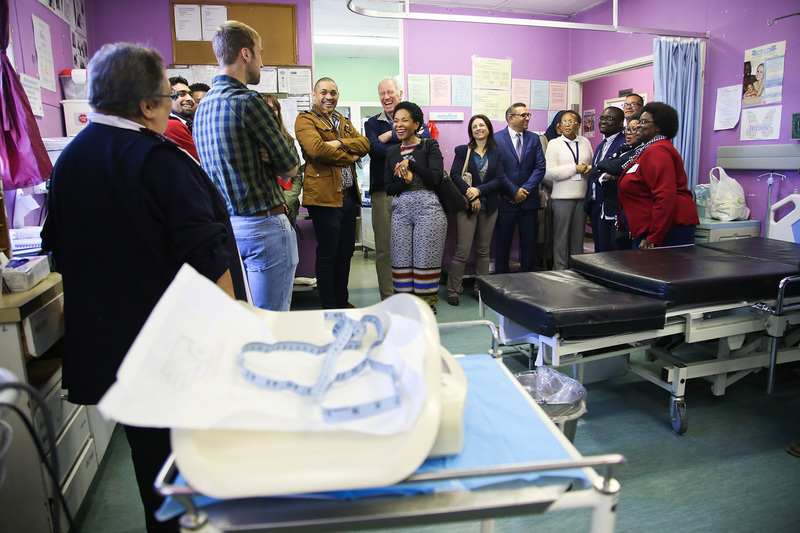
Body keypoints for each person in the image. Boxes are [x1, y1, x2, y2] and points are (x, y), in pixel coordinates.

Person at [41, 43, 247, 533]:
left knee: (153, 465)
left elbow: (59, 247)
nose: (171, 107)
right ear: (146, 105)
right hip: (175, 346)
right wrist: (236, 333)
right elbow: (208, 252)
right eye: (166, 97)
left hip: (118, 347)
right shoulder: (159, 161)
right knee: (196, 462)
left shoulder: (70, 161)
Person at [193, 21, 299, 311]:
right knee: (271, 322)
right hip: (263, 226)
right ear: (246, 54)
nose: (262, 62)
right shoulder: (248, 102)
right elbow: (291, 167)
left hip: (228, 226)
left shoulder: (203, 107)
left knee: (242, 318)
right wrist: (275, 158)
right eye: (260, 53)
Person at [295, 77, 369, 309]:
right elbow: (316, 150)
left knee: (346, 253)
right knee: (328, 254)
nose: (329, 97)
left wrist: (337, 143)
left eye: (334, 92)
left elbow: (365, 143)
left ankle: (341, 301)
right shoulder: (305, 119)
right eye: (324, 92)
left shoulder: (342, 120)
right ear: (314, 94)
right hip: (324, 198)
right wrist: (349, 154)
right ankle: (329, 306)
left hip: (348, 197)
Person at [365, 78, 431, 300]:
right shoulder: (372, 123)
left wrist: (390, 136)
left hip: (414, 191)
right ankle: (389, 299)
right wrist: (403, 139)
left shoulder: (415, 115)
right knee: (385, 249)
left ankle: (410, 298)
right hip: (383, 191)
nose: (386, 97)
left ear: (400, 93)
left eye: (390, 92)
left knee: (413, 247)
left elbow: (425, 145)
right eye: (382, 93)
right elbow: (375, 150)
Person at [384, 101, 446, 314]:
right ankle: (405, 307)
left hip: (429, 211)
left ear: (416, 123)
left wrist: (411, 165)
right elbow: (388, 187)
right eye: (395, 121)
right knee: (400, 258)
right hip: (401, 211)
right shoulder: (391, 151)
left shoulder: (429, 145)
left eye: (404, 120)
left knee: (426, 258)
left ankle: (426, 308)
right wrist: (406, 181)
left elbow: (436, 178)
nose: (399, 125)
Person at [618, 102, 699, 249]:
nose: (637, 126)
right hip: (653, 228)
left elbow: (664, 195)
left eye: (643, 122)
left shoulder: (657, 151)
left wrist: (654, 236)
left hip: (666, 230)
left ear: (659, 127)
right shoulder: (649, 149)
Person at [445, 114, 504, 306]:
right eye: (474, 126)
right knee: (462, 251)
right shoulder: (463, 150)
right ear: (471, 131)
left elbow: (499, 180)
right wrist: (473, 196)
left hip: (490, 206)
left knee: (484, 251)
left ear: (488, 128)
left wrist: (478, 190)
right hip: (467, 206)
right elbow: (454, 174)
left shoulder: (497, 152)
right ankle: (453, 290)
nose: (478, 128)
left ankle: (481, 290)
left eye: (482, 125)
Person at [494, 103, 547, 273]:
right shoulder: (495, 139)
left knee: (529, 241)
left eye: (528, 115)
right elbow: (497, 170)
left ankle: (527, 277)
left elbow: (540, 167)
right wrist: (513, 191)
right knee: (503, 242)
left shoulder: (534, 138)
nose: (527, 118)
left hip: (528, 200)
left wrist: (524, 190)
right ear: (511, 118)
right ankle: (501, 279)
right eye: (523, 115)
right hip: (505, 200)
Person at [545, 110, 593, 270]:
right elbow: (549, 172)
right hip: (561, 198)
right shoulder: (554, 143)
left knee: (578, 238)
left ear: (578, 125)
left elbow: (592, 164)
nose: (566, 124)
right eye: (563, 121)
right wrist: (575, 168)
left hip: (582, 195)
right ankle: (560, 270)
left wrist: (588, 168)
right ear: (559, 125)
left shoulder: (585, 142)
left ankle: (577, 270)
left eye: (571, 121)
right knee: (561, 238)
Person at [585, 106, 627, 252]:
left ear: (621, 123)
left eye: (609, 118)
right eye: (601, 118)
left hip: (613, 206)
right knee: (600, 251)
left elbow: (617, 170)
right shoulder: (601, 145)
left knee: (613, 252)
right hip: (597, 206)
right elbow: (594, 171)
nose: (603, 121)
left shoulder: (624, 143)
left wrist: (599, 172)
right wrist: (603, 174)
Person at [262, 93, 303, 223]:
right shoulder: (252, 142)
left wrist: (285, 204)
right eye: (266, 108)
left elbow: (296, 176)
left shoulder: (288, 141)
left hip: (288, 207)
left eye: (274, 109)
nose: (271, 112)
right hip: (263, 209)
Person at [165, 76, 199, 160]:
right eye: (181, 94)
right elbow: (198, 160)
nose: (190, 99)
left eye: (190, 95)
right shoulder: (172, 125)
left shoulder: (189, 124)